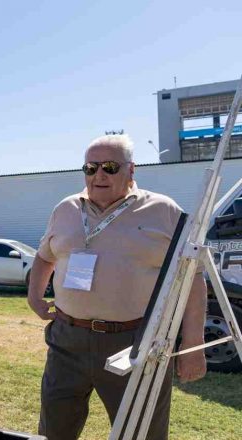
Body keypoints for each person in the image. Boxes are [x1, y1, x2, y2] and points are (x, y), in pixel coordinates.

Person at [27, 134, 207, 440]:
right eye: (90, 167)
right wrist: (35, 297)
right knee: (54, 430)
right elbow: (44, 258)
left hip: (134, 342)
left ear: (131, 170)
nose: (98, 175)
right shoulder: (66, 209)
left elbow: (194, 278)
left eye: (109, 167)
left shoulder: (164, 212)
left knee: (141, 432)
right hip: (67, 339)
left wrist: (192, 344)